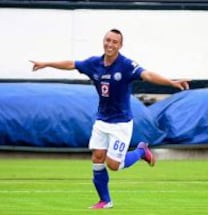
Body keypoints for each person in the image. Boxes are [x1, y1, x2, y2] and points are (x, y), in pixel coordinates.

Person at [30, 28, 190, 209]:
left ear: (120, 46)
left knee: (114, 165)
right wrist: (46, 64)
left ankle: (141, 152)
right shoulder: (94, 64)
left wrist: (171, 82)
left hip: (121, 123)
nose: (110, 44)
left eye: (115, 42)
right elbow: (71, 64)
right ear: (103, 41)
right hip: (102, 120)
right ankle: (105, 201)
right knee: (97, 158)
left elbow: (147, 75)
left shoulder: (126, 65)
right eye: (108, 40)